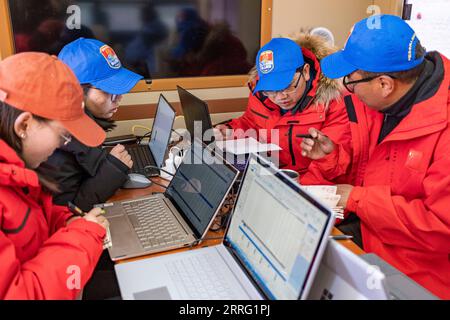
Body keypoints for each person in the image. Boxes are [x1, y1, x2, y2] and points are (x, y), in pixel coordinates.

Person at [301, 15, 450, 299]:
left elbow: (441, 230)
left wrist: (356, 199)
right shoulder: (374, 104)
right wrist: (332, 158)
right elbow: (367, 172)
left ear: (384, 84)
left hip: (421, 271)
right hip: (370, 238)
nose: (345, 87)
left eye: (351, 79)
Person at [0, 52, 108, 299]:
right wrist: (85, 235)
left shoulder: (17, 173)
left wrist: (67, 222)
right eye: (62, 135)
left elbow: (29, 219)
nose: (61, 145)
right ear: (24, 125)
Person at [215, 35, 350, 176]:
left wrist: (289, 189)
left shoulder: (335, 102)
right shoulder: (261, 93)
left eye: (288, 87)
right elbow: (252, 123)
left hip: (309, 185)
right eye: (271, 91)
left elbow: (339, 167)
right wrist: (229, 131)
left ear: (305, 71)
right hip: (270, 176)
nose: (280, 97)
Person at [39, 38, 143, 212]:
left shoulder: (85, 123)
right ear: (76, 92)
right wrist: (113, 169)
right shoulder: (61, 142)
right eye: (108, 90)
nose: (118, 97)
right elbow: (66, 213)